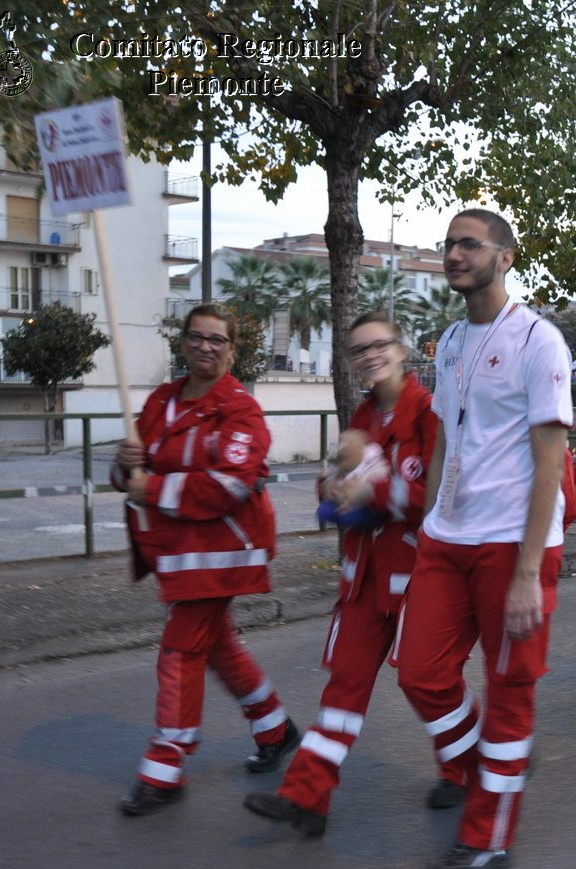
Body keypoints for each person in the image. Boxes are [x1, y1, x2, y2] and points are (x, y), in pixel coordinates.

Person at [391, 208, 574, 869]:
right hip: (449, 537)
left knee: (509, 692)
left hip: (512, 546)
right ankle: (489, 765)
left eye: (470, 243)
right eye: (449, 244)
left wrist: (529, 571)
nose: (454, 253)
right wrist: (429, 524)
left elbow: (550, 460)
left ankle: (486, 838)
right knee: (418, 672)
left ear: (505, 257)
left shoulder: (539, 341)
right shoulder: (449, 342)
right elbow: (443, 439)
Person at [242, 311, 449, 835]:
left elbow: (440, 496)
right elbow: (336, 480)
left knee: (429, 686)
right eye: (359, 350)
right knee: (344, 688)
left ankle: (475, 769)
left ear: (402, 350)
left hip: (418, 577)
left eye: (379, 345)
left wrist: (373, 494)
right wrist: (329, 489)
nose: (370, 356)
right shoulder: (359, 418)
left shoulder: (431, 414)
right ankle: (306, 796)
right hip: (362, 581)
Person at [114, 304, 298, 815]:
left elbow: (229, 485)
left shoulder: (240, 408)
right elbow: (133, 475)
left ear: (232, 348)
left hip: (223, 551)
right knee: (215, 644)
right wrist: (124, 465)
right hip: (179, 551)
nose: (205, 347)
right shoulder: (160, 401)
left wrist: (150, 485)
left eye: (217, 339)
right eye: (197, 337)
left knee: (180, 650)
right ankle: (275, 729)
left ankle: (165, 764)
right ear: (183, 341)